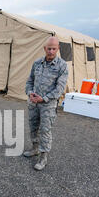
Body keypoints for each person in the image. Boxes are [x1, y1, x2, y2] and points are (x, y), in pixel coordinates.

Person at [23, 36, 68, 171]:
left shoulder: (62, 66)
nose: (51, 51)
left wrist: (44, 99)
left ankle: (43, 157)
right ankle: (35, 149)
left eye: (54, 49)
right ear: (44, 48)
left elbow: (60, 89)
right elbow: (29, 80)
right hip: (33, 103)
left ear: (58, 49)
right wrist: (30, 92)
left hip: (47, 105)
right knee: (33, 127)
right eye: (49, 48)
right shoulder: (37, 63)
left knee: (45, 131)